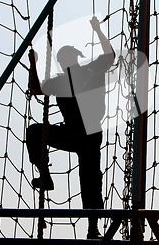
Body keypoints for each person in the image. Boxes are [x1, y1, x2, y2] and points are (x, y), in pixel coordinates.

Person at [26, 16, 115, 239]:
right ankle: (45, 174)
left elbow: (109, 56)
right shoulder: (64, 79)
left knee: (90, 181)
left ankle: (93, 227)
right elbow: (37, 89)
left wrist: (98, 30)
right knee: (35, 132)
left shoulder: (89, 71)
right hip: (73, 133)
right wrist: (33, 63)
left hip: (89, 133)